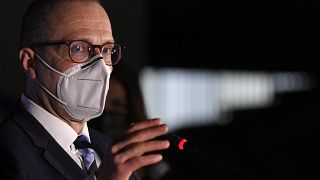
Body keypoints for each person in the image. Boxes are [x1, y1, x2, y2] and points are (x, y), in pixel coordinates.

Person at [0, 0, 170, 180]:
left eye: (106, 50)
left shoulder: (112, 152)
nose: (99, 65)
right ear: (30, 62)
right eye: (79, 48)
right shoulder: (7, 153)